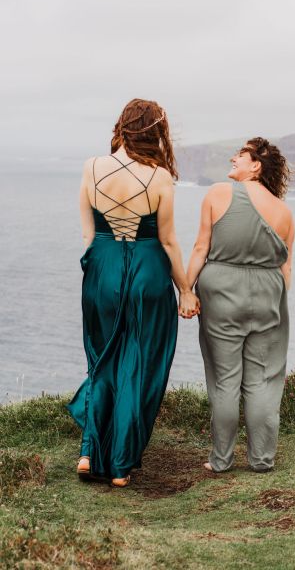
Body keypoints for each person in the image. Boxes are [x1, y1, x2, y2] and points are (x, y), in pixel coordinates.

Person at [65, 98, 199, 487]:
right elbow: (170, 242)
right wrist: (186, 290)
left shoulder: (92, 167)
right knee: (140, 364)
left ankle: (89, 452)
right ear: (157, 133)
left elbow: (89, 236)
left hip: (102, 268)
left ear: (121, 127)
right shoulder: (159, 177)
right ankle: (121, 465)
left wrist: (103, 267)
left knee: (102, 359)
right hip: (147, 270)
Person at [186, 137, 294, 473]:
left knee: (225, 379)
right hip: (267, 295)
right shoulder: (284, 211)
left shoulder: (218, 194)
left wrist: (186, 291)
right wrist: (273, 302)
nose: (234, 158)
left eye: (241, 155)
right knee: (263, 379)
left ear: (256, 165)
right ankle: (262, 459)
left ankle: (221, 460)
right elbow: (286, 268)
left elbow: (201, 248)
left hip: (221, 294)